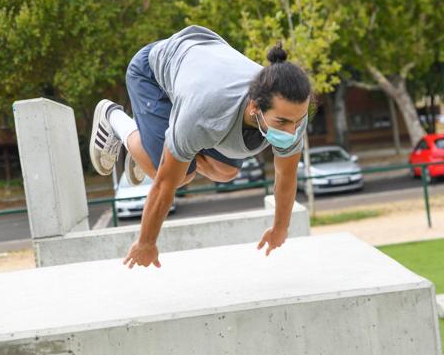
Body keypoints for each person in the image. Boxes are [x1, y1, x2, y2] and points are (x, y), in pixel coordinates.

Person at [88, 25, 311, 269]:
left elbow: (286, 175)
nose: (292, 131)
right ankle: (113, 117)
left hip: (197, 66)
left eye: (297, 122)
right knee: (177, 174)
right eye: (282, 123)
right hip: (153, 73)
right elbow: (164, 185)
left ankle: (155, 144)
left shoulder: (290, 106)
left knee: (226, 171)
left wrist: (281, 228)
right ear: (254, 107)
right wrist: (146, 242)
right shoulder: (205, 113)